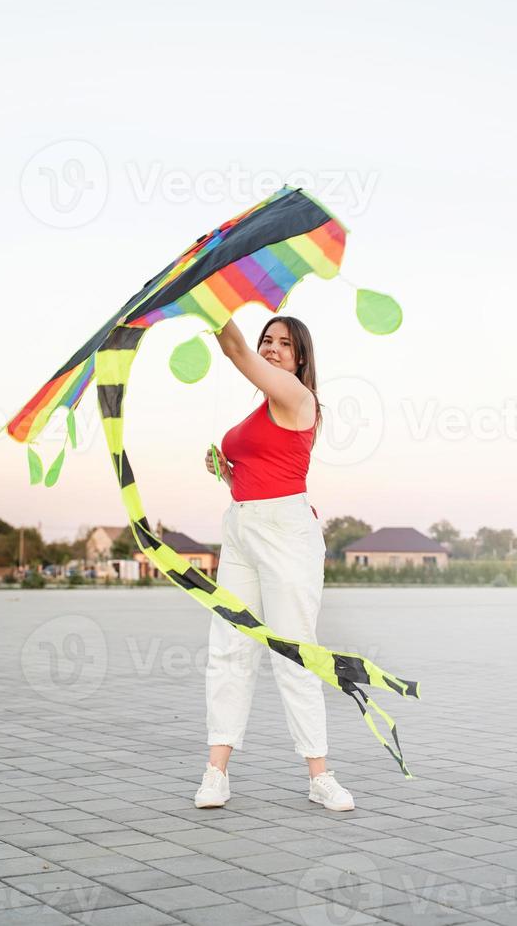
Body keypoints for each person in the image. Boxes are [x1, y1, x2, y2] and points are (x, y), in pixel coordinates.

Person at [195, 315, 354, 812]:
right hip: (241, 527)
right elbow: (257, 474)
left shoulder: (298, 399)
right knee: (228, 649)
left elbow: (235, 352)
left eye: (285, 344)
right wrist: (226, 473)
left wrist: (213, 304)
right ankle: (216, 772)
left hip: (286, 532)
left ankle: (319, 775)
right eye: (267, 340)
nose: (271, 348)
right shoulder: (261, 412)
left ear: (300, 357)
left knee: (294, 653)